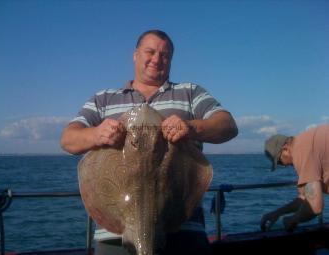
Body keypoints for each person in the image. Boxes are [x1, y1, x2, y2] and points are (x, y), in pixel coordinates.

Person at [61, 29, 238, 255]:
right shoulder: (103, 99)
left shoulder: (190, 92)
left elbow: (228, 125)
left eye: (165, 55)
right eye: (150, 51)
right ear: (135, 55)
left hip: (183, 228)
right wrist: (96, 134)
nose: (157, 59)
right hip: (115, 234)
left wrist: (191, 127)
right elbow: (68, 140)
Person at [261, 124, 329, 232]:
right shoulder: (305, 142)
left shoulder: (301, 151)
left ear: (285, 149)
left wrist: (292, 220)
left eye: (279, 161)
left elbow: (315, 207)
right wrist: (277, 213)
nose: (284, 165)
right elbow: (305, 198)